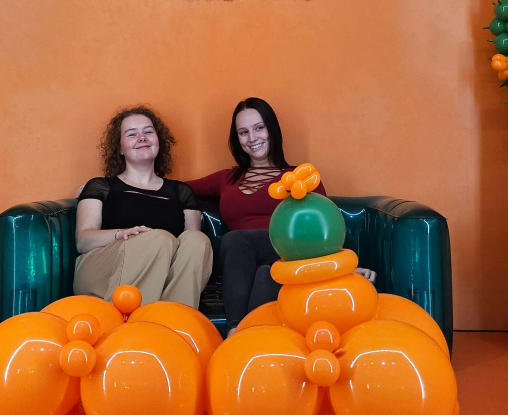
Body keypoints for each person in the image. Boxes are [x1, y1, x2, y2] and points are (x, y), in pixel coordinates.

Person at [186, 97, 327, 334]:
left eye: (259, 128)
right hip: (254, 265)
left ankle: (235, 332)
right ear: (237, 139)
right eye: (243, 132)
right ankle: (245, 335)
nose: (252, 138)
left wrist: (344, 266)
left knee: (236, 240)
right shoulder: (226, 178)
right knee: (265, 274)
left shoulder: (299, 177)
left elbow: (323, 226)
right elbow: (175, 189)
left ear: (272, 130)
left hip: (290, 254)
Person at [73, 106, 212, 308]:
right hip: (102, 270)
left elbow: (190, 254)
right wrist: (122, 234)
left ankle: (173, 317)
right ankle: (133, 319)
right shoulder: (101, 186)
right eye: (132, 134)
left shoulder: (182, 192)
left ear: (158, 141)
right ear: (120, 148)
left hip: (162, 275)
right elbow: (83, 241)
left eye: (148, 131)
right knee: (158, 239)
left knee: (197, 240)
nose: (142, 138)